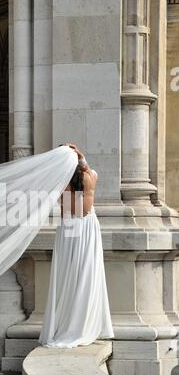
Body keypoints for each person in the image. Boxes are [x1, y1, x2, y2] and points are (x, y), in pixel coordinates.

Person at [38, 143, 114, 348]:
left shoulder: (62, 184)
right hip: (88, 226)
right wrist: (79, 154)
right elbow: (87, 167)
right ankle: (83, 323)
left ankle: (67, 322)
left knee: (67, 274)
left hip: (69, 227)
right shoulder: (92, 177)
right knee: (87, 273)